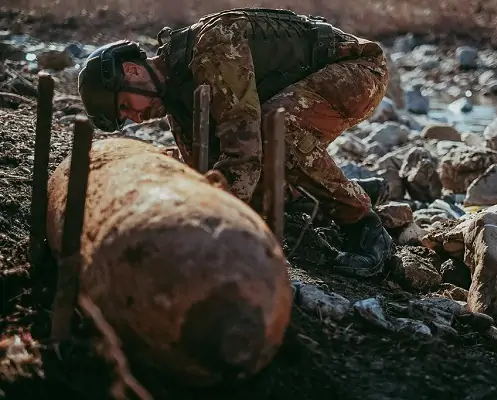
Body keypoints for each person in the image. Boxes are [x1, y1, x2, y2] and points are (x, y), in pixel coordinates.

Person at [77, 7, 394, 277]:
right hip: (303, 88)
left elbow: (243, 143)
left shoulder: (212, 47)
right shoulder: (179, 101)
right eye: (124, 118)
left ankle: (364, 227)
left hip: (358, 70)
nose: (133, 118)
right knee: (248, 179)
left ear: (132, 71)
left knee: (275, 127)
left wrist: (211, 220)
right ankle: (343, 192)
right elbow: (208, 172)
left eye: (123, 106)